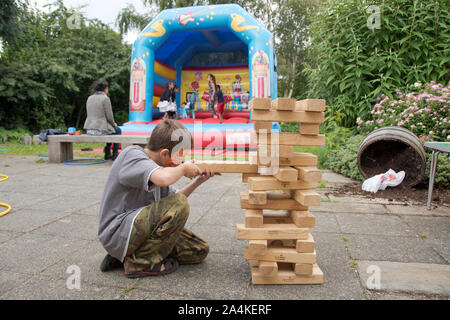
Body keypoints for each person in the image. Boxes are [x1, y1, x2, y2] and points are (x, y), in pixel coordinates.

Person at [98, 119, 217, 278]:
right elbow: (165, 182)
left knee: (198, 250)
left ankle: (128, 254)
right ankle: (139, 263)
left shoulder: (160, 170)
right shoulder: (132, 155)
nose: (181, 161)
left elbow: (175, 199)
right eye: (179, 157)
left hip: (137, 231)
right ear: (164, 154)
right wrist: (183, 169)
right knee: (181, 204)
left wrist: (198, 181)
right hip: (117, 232)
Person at [83, 80, 121, 161]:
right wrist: (114, 124)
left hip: (89, 129)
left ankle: (107, 152)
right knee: (117, 130)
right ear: (105, 89)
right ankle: (114, 153)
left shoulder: (90, 98)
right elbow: (109, 116)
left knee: (111, 130)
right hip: (100, 129)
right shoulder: (105, 98)